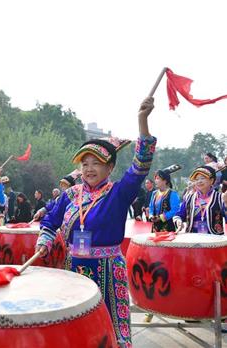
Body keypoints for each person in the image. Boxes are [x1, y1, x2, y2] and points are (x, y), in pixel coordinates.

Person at [35, 97, 157, 347]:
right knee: (77, 326)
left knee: (111, 329)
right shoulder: (70, 194)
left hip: (108, 270)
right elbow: (50, 221)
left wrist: (142, 122)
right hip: (74, 268)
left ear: (110, 166)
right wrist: (44, 241)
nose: (89, 169)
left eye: (96, 163)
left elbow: (140, 166)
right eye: (85, 163)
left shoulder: (118, 193)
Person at [174, 166, 227, 235]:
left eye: (202, 178)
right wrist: (178, 221)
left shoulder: (220, 198)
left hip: (214, 240)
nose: (199, 181)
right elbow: (179, 214)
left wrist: (226, 204)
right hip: (192, 238)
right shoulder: (189, 198)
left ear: (211, 180)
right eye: (196, 179)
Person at [149, 165, 181, 232]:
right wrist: (151, 215)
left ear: (165, 181)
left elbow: (175, 210)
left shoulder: (172, 194)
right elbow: (151, 207)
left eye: (158, 178)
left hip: (168, 227)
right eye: (155, 178)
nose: (155, 181)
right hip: (155, 227)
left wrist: (161, 218)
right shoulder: (154, 193)